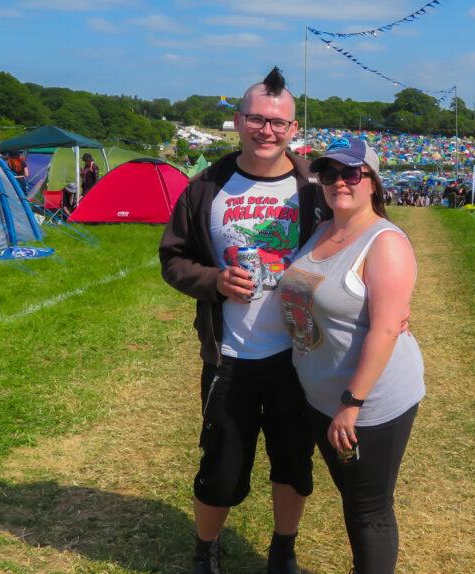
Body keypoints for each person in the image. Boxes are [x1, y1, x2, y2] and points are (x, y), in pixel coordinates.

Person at [159, 66, 329, 574]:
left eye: (278, 122)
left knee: (294, 464)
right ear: (237, 120)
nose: (267, 130)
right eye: (256, 119)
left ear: (293, 128)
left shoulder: (314, 188)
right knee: (221, 467)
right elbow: (172, 258)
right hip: (230, 356)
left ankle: (283, 550)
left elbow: (359, 244)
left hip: (298, 358)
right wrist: (214, 281)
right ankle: (205, 552)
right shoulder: (207, 185)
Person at [279, 137, 425, 574]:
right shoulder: (324, 229)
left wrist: (352, 404)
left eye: (351, 173)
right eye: (329, 174)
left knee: (369, 510)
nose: (339, 182)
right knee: (352, 497)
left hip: (366, 405)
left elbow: (384, 329)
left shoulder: (385, 242)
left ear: (373, 182)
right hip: (322, 395)